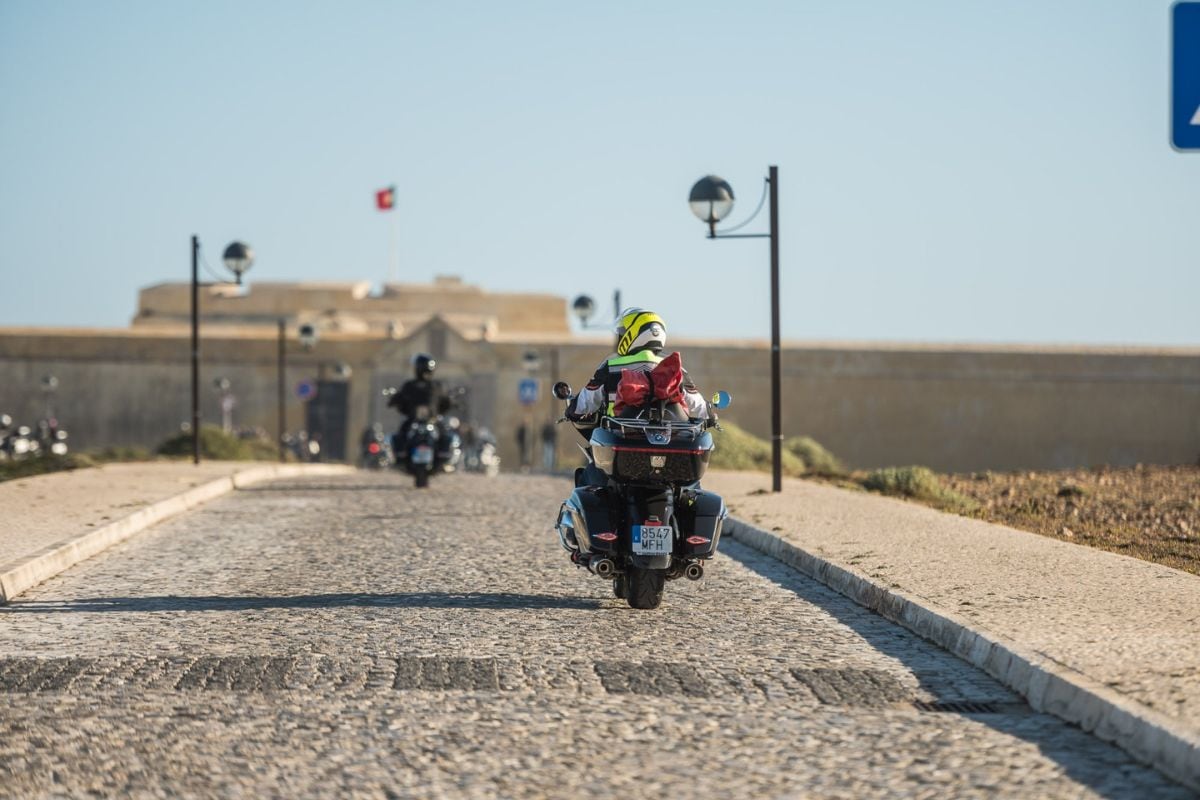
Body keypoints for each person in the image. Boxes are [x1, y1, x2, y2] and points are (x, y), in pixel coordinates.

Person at [566, 308, 710, 485]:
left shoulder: (611, 366)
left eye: (622, 334)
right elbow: (702, 410)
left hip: (624, 447)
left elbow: (582, 405)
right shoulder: (676, 370)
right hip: (671, 451)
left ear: (632, 335)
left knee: (588, 480)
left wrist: (571, 409)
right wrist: (712, 416)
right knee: (693, 488)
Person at [387, 353, 450, 456]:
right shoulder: (437, 385)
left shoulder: (410, 385)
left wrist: (394, 401)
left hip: (416, 420)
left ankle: (400, 454)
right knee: (444, 433)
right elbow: (446, 402)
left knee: (402, 432)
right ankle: (443, 454)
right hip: (430, 420)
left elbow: (399, 399)